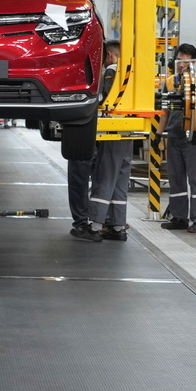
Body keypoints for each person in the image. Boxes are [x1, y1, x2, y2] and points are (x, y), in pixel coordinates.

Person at [70, 40, 128, 242]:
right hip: (128, 131)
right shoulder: (132, 73)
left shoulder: (113, 71)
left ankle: (95, 227)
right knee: (120, 180)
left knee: (104, 177)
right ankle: (118, 226)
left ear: (110, 56)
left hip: (112, 131)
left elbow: (105, 102)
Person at [158, 43, 196, 233]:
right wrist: (158, 135)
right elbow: (164, 111)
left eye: (186, 61)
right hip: (174, 136)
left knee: (195, 179)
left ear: (194, 61)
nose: (182, 65)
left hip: (193, 137)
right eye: (180, 60)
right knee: (176, 178)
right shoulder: (170, 81)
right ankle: (179, 217)